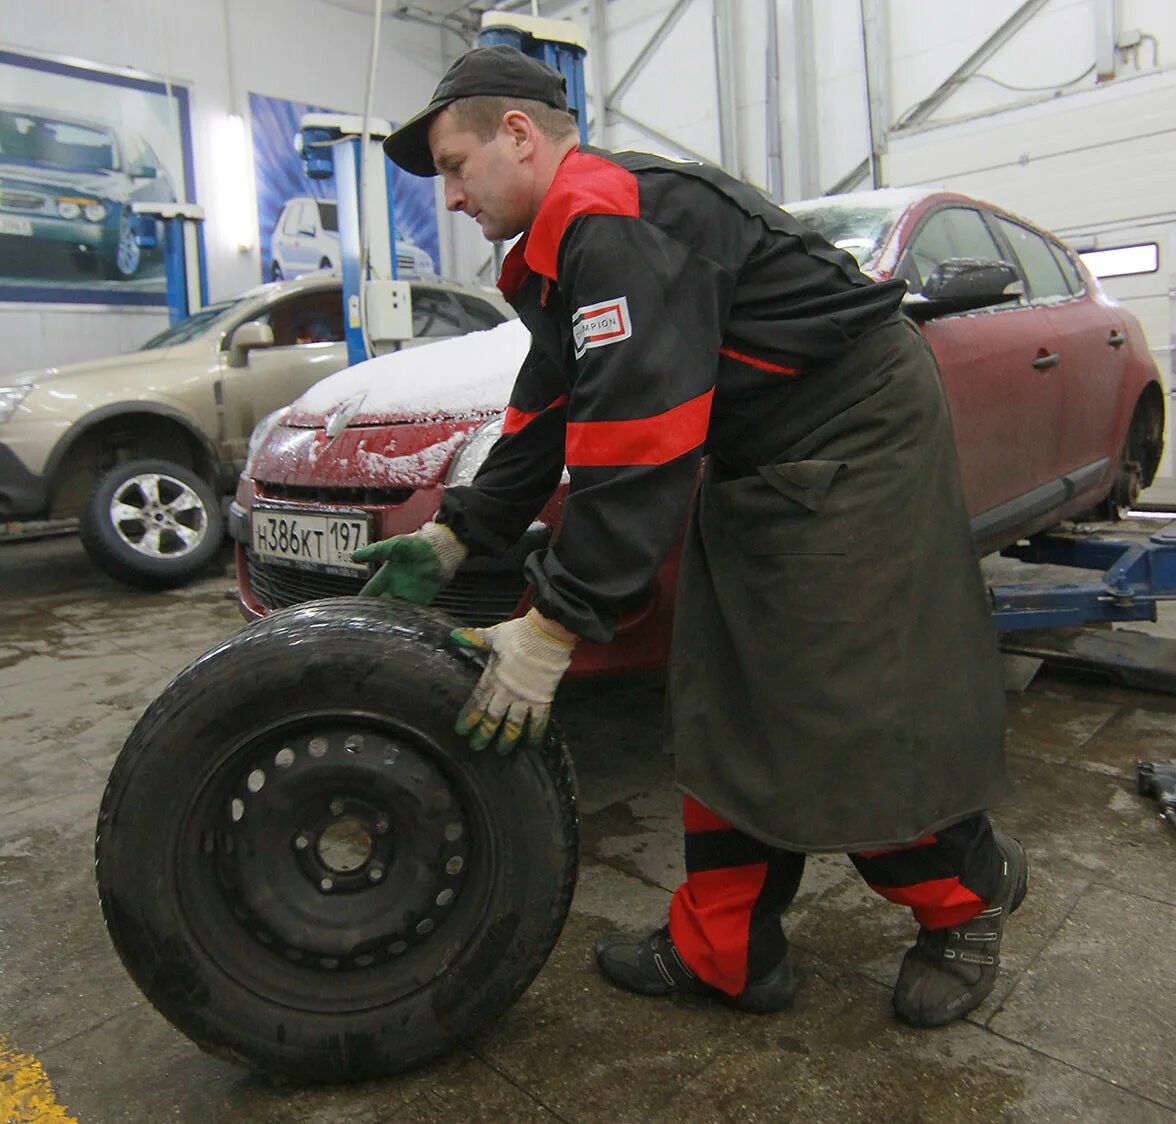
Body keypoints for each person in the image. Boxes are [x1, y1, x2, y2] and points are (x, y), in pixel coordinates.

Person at [355, 44, 1026, 1028]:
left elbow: (634, 445)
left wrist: (554, 625)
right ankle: (725, 946)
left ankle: (968, 898)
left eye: (455, 166)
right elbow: (551, 402)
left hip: (856, 432)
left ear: (519, 135)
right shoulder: (558, 249)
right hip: (766, 446)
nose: (448, 195)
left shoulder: (614, 223)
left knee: (845, 699)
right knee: (725, 687)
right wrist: (463, 534)